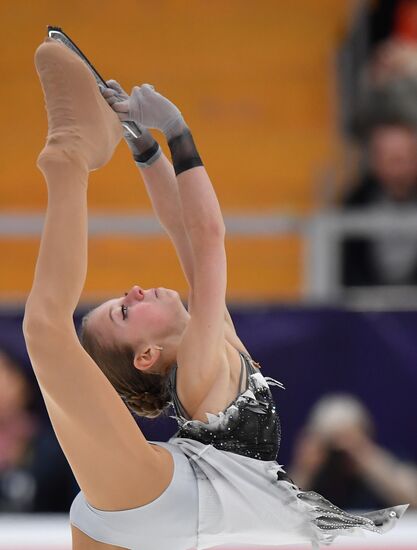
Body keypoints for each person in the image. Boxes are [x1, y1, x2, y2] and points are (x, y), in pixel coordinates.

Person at [22, 37, 408, 550]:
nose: (133, 291)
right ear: (148, 354)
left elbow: (183, 229)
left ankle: (73, 151)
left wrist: (146, 149)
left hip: (173, 505)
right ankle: (68, 153)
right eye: (122, 312)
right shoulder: (202, 359)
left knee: (45, 332)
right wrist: (177, 132)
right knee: (46, 331)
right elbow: (205, 237)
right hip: (176, 502)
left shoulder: (209, 345)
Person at [288, 394, 417, 510]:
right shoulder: (315, 473)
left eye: (348, 436)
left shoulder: (382, 465)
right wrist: (304, 468)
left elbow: (413, 499)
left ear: (365, 434)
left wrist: (365, 456)